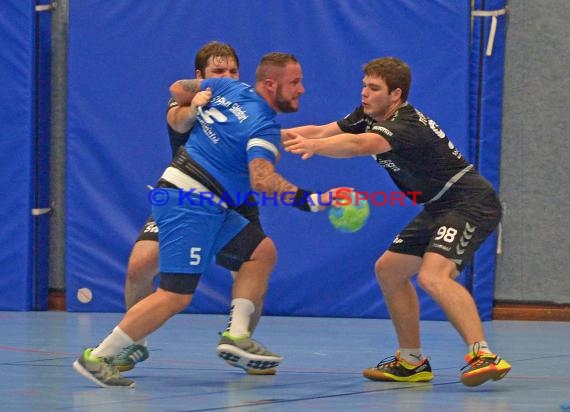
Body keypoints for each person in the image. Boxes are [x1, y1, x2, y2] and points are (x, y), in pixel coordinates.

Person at [73, 52, 337, 388]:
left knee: (260, 252)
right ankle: (100, 356)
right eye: (295, 82)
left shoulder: (229, 89)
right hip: (191, 202)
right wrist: (311, 201)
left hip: (207, 202)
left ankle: (237, 335)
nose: (302, 89)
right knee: (175, 295)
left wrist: (194, 97)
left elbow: (177, 86)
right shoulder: (262, 126)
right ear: (271, 84)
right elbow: (261, 179)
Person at [283, 57, 511, 387]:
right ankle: (411, 361)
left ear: (395, 94)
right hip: (437, 206)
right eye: (363, 85)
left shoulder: (405, 125)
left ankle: (483, 354)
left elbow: (359, 145)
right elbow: (320, 130)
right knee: (389, 270)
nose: (364, 93)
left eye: (373, 88)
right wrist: (267, 136)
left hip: (469, 202)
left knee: (435, 276)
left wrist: (314, 148)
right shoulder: (368, 114)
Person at [114, 42, 277, 376]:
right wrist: (195, 107)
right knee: (139, 266)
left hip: (234, 202)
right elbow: (178, 122)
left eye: (233, 71)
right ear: (200, 77)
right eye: (219, 72)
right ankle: (134, 342)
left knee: (251, 267)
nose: (228, 76)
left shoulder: (245, 105)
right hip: (187, 199)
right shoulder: (186, 100)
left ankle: (241, 339)